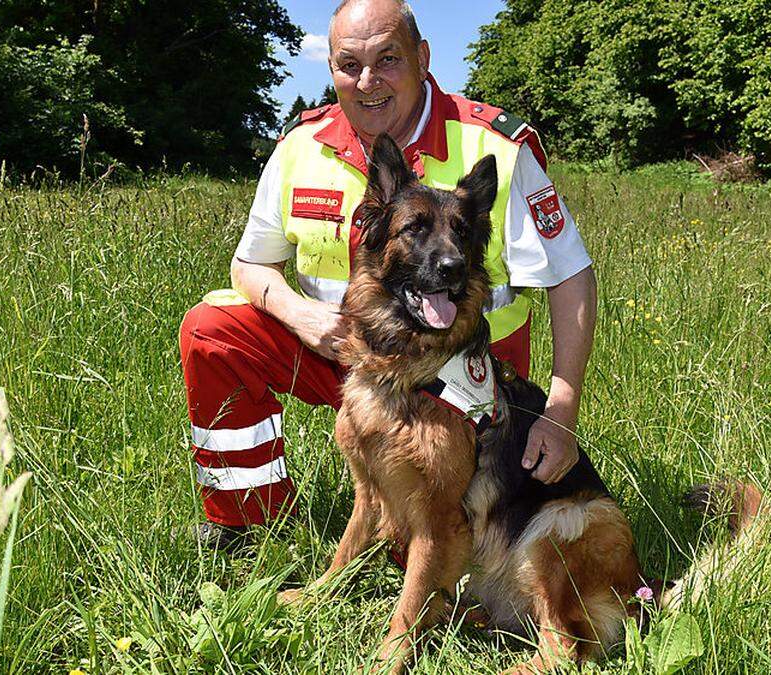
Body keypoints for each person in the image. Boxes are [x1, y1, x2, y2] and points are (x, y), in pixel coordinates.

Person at [179, 0, 597, 546]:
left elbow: (571, 277)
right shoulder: (298, 147)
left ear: (423, 59)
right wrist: (298, 313)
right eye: (349, 64)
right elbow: (249, 263)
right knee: (212, 329)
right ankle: (247, 521)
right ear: (330, 69)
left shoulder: (494, 146)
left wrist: (561, 410)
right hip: (344, 355)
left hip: (462, 376)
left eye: (388, 59)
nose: (367, 81)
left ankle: (432, 540)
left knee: (423, 545)